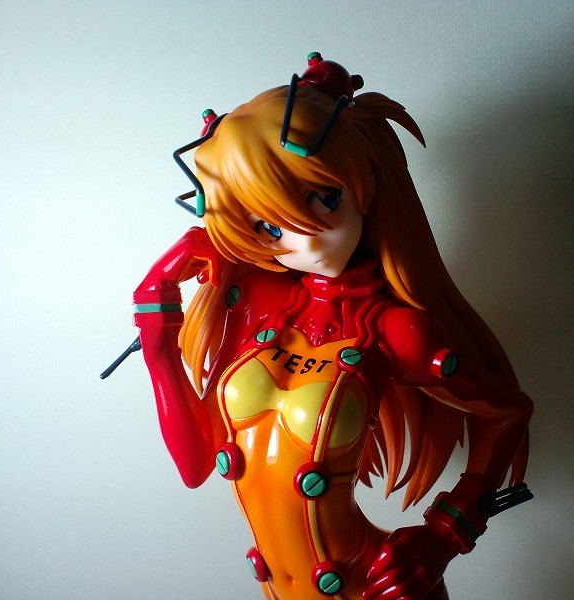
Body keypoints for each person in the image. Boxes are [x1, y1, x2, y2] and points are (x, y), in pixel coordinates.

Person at [132, 53, 533, 600]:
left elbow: (508, 411)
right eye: (268, 224)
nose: (306, 239)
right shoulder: (257, 305)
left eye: (324, 198)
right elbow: (195, 464)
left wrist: (445, 536)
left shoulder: (395, 331)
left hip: (374, 586)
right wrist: (157, 332)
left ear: (363, 181)